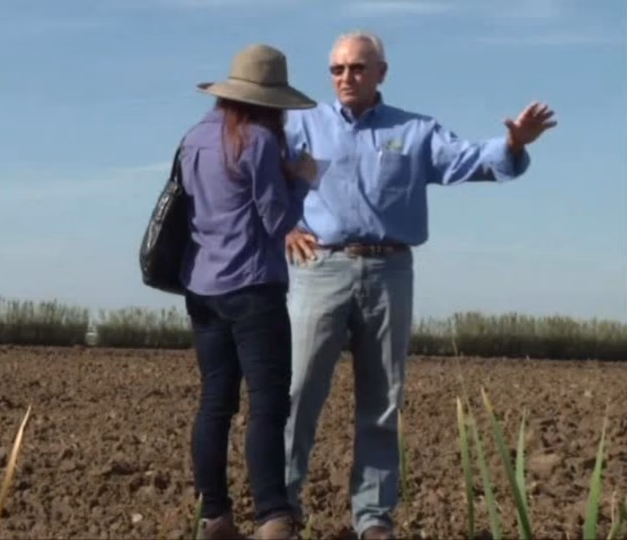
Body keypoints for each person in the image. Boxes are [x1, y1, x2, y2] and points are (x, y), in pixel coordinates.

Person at [281, 31, 557, 540]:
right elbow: (259, 178)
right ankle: (282, 509)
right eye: (338, 69)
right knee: (298, 392)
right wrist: (283, 226)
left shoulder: (414, 132)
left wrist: (515, 142)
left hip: (390, 272)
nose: (346, 78)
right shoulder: (300, 125)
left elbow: (471, 159)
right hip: (320, 268)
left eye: (358, 68)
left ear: (381, 73)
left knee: (383, 399)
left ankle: (372, 518)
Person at [177, 43, 320, 540]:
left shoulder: (194, 137)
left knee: (215, 402)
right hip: (254, 288)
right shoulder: (258, 141)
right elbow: (275, 216)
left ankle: (213, 516)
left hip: (201, 287)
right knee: (267, 404)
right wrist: (303, 180)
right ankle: (272, 518)